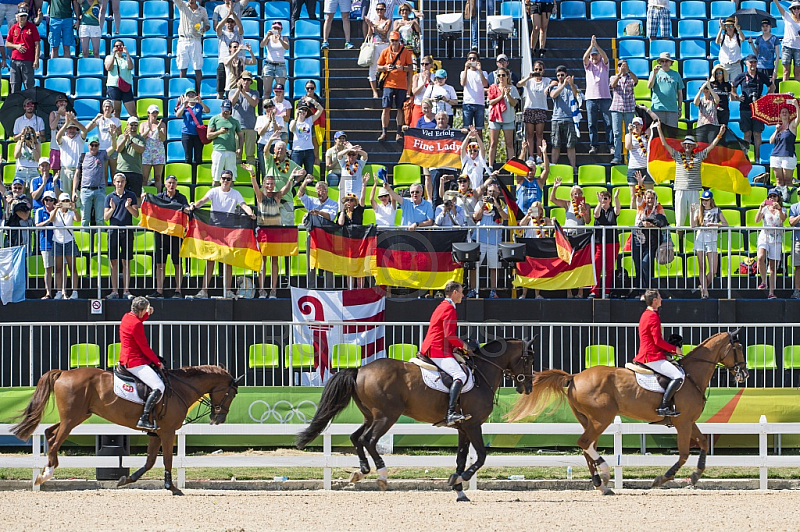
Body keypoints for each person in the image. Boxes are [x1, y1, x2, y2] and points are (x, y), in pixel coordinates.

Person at [189, 168, 256, 299]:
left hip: (229, 231)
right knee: (210, 260)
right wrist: (194, 206)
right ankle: (204, 290)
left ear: (231, 181)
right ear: (220, 179)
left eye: (228, 179)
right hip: (214, 230)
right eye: (223, 178)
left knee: (228, 261)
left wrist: (250, 213)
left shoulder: (235, 193)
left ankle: (228, 290)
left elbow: (243, 205)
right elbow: (203, 200)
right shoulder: (214, 191)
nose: (225, 181)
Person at [655, 122, 728, 228]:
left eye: (690, 144)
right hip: (680, 189)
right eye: (685, 144)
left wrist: (719, 134)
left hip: (694, 190)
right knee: (679, 221)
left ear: (693, 146)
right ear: (683, 145)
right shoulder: (677, 155)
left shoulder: (699, 156)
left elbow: (712, 146)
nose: (687, 145)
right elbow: (664, 144)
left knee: (696, 221)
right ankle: (680, 242)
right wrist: (659, 129)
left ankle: (696, 242)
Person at [419, 281, 469, 426]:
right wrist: (465, 347)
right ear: (454, 292)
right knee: (460, 375)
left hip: (437, 346)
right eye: (460, 292)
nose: (462, 295)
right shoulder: (449, 309)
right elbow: (450, 335)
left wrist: (457, 348)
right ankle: (451, 413)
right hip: (437, 349)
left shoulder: (442, 306)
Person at [252, 165, 301, 299]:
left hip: (276, 232)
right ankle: (262, 290)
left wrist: (291, 177)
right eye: (268, 184)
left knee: (274, 261)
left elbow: (286, 189)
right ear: (264, 184)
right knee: (262, 261)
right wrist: (252, 175)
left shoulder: (277, 196)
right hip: (263, 232)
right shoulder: (260, 196)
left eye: (272, 184)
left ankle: (273, 290)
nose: (270, 186)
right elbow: (255, 187)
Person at [634, 289, 684, 417]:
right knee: (678, 376)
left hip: (650, 353)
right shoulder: (652, 316)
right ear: (655, 300)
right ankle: (664, 406)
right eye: (660, 297)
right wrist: (674, 349)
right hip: (651, 356)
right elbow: (657, 341)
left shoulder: (647, 314)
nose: (662, 299)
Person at [118, 296, 165, 432]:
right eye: (145, 310)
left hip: (126, 357)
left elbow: (137, 320)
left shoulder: (127, 317)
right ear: (141, 310)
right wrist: (157, 362)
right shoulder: (137, 324)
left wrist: (146, 314)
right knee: (159, 386)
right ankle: (144, 418)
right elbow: (144, 347)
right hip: (134, 361)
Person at [148, 175, 189, 299]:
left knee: (177, 263)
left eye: (174, 183)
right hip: (160, 234)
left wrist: (187, 209)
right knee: (160, 263)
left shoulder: (181, 198)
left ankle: (178, 290)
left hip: (175, 234)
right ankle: (159, 290)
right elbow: (150, 209)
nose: (171, 185)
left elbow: (186, 209)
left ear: (176, 185)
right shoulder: (159, 197)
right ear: (165, 184)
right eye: (169, 183)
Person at [550, 177, 590, 297]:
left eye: (579, 193)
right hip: (568, 236)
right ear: (571, 195)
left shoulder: (586, 205)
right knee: (569, 264)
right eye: (574, 193)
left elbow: (587, 221)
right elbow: (552, 199)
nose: (577, 195)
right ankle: (569, 291)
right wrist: (555, 187)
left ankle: (580, 292)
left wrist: (584, 212)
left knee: (580, 265)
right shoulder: (568, 204)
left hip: (580, 237)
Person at [731, 54, 774, 162]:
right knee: (747, 133)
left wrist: (765, 96)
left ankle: (757, 158)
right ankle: (745, 158)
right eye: (751, 62)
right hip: (745, 107)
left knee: (757, 133)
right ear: (746, 63)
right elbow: (732, 87)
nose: (753, 64)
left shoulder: (760, 75)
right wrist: (736, 96)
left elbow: (772, 86)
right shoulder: (741, 76)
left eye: (754, 62)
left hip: (758, 108)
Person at [104, 173, 139, 300]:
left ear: (125, 182)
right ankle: (114, 290)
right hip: (113, 231)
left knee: (126, 261)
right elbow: (106, 217)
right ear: (114, 182)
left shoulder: (131, 196)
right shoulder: (109, 197)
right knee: (113, 261)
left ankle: (126, 290)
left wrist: (128, 207)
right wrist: (112, 209)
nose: (120, 184)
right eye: (118, 181)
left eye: (122, 181)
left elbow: (136, 214)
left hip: (127, 231)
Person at [41, 192, 80, 299]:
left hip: (69, 241)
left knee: (72, 268)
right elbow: (51, 219)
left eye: (67, 201)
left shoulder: (71, 213)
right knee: (58, 269)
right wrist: (56, 209)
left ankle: (75, 291)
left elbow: (78, 219)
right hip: (57, 242)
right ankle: (59, 291)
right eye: (63, 201)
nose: (65, 203)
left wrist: (74, 209)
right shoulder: (55, 212)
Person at [473, 177, 508, 298]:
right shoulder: (480, 203)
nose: (491, 194)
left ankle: (493, 291)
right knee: (475, 265)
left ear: (498, 193)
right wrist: (483, 206)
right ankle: (474, 289)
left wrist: (497, 205)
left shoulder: (502, 204)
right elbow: (476, 217)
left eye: (493, 192)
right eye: (489, 192)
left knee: (494, 267)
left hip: (494, 240)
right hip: (480, 239)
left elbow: (506, 217)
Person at [690, 190, 728, 300]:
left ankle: (702, 287)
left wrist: (715, 225)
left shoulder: (717, 210)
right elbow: (692, 225)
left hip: (712, 240)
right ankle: (705, 292)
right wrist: (692, 212)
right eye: (703, 200)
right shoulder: (699, 211)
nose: (704, 202)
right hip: (700, 239)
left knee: (713, 270)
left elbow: (725, 224)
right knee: (702, 267)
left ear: (711, 200)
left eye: (706, 200)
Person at [377, 30, 414, 142]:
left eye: (396, 41)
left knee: (400, 109)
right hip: (388, 83)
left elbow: (411, 68)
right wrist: (385, 68)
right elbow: (378, 66)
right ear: (389, 40)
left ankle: (398, 132)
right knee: (386, 108)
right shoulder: (385, 52)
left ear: (399, 41)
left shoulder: (405, 52)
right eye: (392, 40)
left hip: (401, 84)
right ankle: (384, 132)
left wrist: (402, 68)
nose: (394, 43)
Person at [632, 186, 666, 296]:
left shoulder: (658, 208)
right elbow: (638, 198)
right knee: (638, 265)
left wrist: (651, 224)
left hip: (651, 242)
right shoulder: (641, 207)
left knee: (645, 263)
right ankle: (639, 290)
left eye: (652, 198)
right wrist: (640, 184)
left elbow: (663, 222)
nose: (650, 200)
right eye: (648, 198)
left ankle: (646, 291)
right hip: (637, 238)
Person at [263, 133, 303, 225]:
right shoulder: (270, 160)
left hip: (287, 199)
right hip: (271, 198)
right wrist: (271, 140)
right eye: (278, 148)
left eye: (282, 149)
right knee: (271, 225)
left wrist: (294, 182)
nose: (280, 150)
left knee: (288, 226)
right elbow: (265, 151)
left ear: (285, 151)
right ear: (274, 150)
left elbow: (303, 171)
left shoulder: (291, 163)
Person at [583, 36, 612, 156]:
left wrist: (597, 46)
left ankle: (610, 145)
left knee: (608, 123)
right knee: (592, 124)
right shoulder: (588, 66)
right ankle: (594, 145)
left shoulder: (604, 65)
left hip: (605, 97)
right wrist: (591, 46)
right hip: (590, 98)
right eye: (592, 55)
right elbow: (584, 58)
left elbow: (605, 57)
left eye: (596, 55)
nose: (594, 57)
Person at [517, 60, 551, 164]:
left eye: (540, 69)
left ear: (543, 70)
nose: (538, 71)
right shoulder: (530, 81)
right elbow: (519, 84)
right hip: (530, 109)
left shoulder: (546, 80)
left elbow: (555, 82)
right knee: (530, 134)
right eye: (536, 69)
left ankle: (539, 156)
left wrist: (548, 87)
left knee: (539, 134)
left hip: (541, 109)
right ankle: (531, 156)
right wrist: (529, 76)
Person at [74, 136, 111, 227]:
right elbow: (77, 174)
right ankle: (84, 241)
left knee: (100, 219)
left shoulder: (102, 154)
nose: (94, 147)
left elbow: (113, 147)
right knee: (85, 220)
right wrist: (74, 191)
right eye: (92, 145)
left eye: (96, 145)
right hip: (85, 190)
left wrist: (113, 137)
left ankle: (100, 240)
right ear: (88, 145)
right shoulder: (83, 156)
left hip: (100, 190)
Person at [756, 189, 786, 299]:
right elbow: (756, 220)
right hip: (765, 236)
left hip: (776, 238)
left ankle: (771, 291)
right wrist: (760, 208)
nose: (772, 198)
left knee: (773, 266)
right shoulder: (764, 209)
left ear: (778, 198)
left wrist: (779, 209)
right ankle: (763, 281)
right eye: (770, 196)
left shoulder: (782, 209)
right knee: (760, 257)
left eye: (774, 196)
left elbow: (783, 219)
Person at [548, 65, 580, 169]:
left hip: (570, 118)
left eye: (562, 75)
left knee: (571, 145)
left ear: (566, 75)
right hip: (556, 118)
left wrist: (571, 85)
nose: (560, 77)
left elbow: (577, 96)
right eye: (558, 75)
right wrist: (562, 85)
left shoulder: (572, 86)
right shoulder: (554, 86)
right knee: (555, 144)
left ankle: (573, 167)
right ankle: (553, 166)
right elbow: (553, 95)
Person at [591, 189, 621, 299]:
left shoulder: (612, 211)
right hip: (599, 243)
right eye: (602, 198)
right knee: (597, 267)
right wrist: (599, 203)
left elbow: (618, 209)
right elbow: (596, 214)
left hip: (612, 243)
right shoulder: (598, 208)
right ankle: (594, 291)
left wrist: (616, 198)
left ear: (609, 200)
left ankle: (607, 291)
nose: (603, 200)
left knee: (609, 268)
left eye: (605, 198)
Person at [175, 0, 209, 94]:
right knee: (182, 66)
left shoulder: (202, 10)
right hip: (183, 39)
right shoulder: (182, 6)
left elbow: (207, 24)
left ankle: (199, 92)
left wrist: (204, 28)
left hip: (196, 39)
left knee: (197, 67)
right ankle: (182, 93)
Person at [487, 67, 519, 166]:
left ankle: (512, 166)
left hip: (508, 119)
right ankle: (490, 166)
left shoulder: (512, 88)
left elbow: (514, 103)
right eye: (499, 75)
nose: (501, 77)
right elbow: (491, 102)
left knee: (509, 144)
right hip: (495, 118)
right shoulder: (493, 87)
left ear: (507, 76)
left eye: (503, 75)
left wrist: (508, 95)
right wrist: (501, 96)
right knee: (493, 143)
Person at [517, 201, 550, 299]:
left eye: (537, 208)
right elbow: (521, 225)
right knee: (527, 270)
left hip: (540, 247)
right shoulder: (529, 219)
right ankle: (524, 293)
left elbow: (553, 224)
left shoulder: (545, 220)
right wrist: (528, 214)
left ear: (541, 211)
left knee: (538, 271)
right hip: (529, 245)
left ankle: (537, 294)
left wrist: (553, 220)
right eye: (533, 208)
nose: (535, 210)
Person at [229, 71, 259, 171]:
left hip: (250, 126)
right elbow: (231, 102)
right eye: (244, 79)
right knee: (237, 153)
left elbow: (254, 103)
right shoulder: (233, 91)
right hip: (237, 127)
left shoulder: (254, 92)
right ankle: (236, 175)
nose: (246, 82)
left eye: (248, 80)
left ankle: (251, 176)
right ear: (240, 80)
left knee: (250, 154)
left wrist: (243, 92)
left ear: (251, 81)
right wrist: (238, 90)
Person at [609, 59, 638, 166]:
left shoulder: (631, 77)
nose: (622, 67)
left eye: (624, 65)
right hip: (616, 108)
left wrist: (629, 71)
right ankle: (617, 157)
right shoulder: (614, 77)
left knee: (629, 133)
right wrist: (620, 74)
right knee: (617, 133)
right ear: (617, 67)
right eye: (620, 65)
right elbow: (613, 85)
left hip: (629, 108)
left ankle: (630, 157)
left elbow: (636, 81)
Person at [208, 100, 243, 185]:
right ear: (221, 108)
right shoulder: (214, 119)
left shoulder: (235, 121)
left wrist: (240, 147)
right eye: (224, 109)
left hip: (231, 150)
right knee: (216, 177)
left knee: (231, 176)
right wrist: (219, 132)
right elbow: (208, 135)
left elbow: (241, 135)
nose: (226, 111)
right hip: (218, 150)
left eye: (228, 109)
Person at [56, 114, 88, 205]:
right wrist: (66, 123)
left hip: (78, 171)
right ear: (66, 129)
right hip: (65, 170)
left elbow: (85, 130)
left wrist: (74, 121)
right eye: (69, 128)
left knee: (77, 197)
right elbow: (57, 137)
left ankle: (77, 217)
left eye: (73, 128)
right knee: (65, 196)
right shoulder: (64, 139)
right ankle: (67, 216)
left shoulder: (80, 138)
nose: (72, 130)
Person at [6, 8, 40, 94]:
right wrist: (16, 46)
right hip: (15, 60)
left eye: (24, 16)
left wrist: (36, 60)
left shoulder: (32, 27)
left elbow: (37, 44)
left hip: (27, 61)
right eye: (21, 16)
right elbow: (7, 43)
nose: (23, 18)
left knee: (29, 85)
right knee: (14, 85)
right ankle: (15, 106)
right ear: (17, 16)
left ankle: (30, 106)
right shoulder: (13, 27)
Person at [85, 99, 121, 179]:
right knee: (103, 175)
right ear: (102, 107)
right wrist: (95, 118)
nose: (107, 108)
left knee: (114, 174)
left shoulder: (116, 120)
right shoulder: (99, 119)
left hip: (113, 149)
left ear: (112, 108)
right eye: (105, 106)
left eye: (109, 106)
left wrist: (115, 131)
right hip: (102, 149)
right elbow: (87, 129)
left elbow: (120, 135)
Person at [175, 88, 210, 167]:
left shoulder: (198, 105)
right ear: (186, 96)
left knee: (198, 157)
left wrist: (201, 102)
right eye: (189, 95)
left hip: (198, 134)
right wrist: (184, 105)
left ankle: (198, 176)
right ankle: (189, 174)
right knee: (188, 157)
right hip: (187, 134)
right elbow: (178, 115)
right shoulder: (183, 106)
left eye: (193, 94)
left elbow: (208, 111)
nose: (191, 96)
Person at [770, 99, 799, 191]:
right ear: (780, 115)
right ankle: (780, 200)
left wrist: (796, 106)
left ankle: (791, 202)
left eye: (786, 112)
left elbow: (798, 118)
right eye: (782, 112)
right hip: (776, 155)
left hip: (788, 155)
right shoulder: (778, 128)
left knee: (788, 181)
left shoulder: (792, 126)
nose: (784, 113)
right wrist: (776, 130)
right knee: (779, 181)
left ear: (789, 114)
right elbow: (771, 141)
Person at [648, 53, 684, 128]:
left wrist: (680, 108)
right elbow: (649, 86)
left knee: (672, 135)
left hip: (672, 109)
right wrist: (654, 74)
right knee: (658, 133)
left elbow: (680, 92)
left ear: (670, 62)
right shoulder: (654, 73)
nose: (664, 63)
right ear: (660, 62)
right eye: (662, 61)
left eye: (666, 61)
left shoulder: (676, 74)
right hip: (658, 108)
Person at [625, 116, 653, 208]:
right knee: (634, 197)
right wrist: (629, 132)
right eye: (634, 125)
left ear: (641, 126)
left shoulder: (646, 135)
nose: (636, 127)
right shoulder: (629, 136)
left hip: (646, 168)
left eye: (638, 125)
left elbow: (656, 120)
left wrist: (646, 110)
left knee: (649, 196)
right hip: (634, 168)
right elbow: (628, 147)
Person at [289, 102, 324, 175]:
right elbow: (291, 129)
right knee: (297, 173)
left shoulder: (309, 120)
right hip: (297, 151)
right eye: (301, 110)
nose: (303, 112)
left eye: (305, 110)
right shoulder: (293, 121)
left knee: (309, 173)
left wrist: (312, 101)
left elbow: (320, 110)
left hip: (309, 150)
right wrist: (296, 117)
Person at [366, 2, 391, 100]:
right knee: (373, 68)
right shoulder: (373, 20)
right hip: (375, 45)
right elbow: (369, 34)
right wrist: (370, 26)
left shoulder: (388, 21)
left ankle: (386, 88)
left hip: (384, 45)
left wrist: (374, 26)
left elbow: (385, 32)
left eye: (381, 9)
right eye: (377, 9)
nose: (379, 11)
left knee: (386, 67)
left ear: (385, 10)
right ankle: (374, 91)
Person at [115, 116, 146, 197]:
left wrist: (131, 142)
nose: (133, 127)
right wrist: (125, 139)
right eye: (131, 125)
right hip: (122, 170)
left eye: (135, 125)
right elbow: (118, 149)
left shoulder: (140, 138)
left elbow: (141, 150)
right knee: (120, 195)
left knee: (136, 196)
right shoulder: (121, 137)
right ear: (127, 125)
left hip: (135, 171)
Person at [104, 39, 135, 118]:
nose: (119, 48)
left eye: (120, 46)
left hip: (126, 86)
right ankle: (117, 130)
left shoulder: (126, 59)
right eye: (116, 46)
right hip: (114, 86)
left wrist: (127, 54)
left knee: (132, 112)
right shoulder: (109, 57)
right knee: (116, 111)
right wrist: (113, 54)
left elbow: (131, 67)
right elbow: (108, 68)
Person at [33, 190, 56, 299]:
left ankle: (61, 291)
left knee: (60, 268)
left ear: (54, 201)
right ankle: (48, 292)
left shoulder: (59, 211)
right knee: (48, 268)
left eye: (50, 200)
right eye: (46, 199)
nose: (48, 202)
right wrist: (48, 221)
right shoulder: (39, 211)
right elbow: (37, 226)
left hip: (59, 242)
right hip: (45, 243)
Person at [516, 139, 548, 212]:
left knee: (536, 221)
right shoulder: (520, 180)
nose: (530, 172)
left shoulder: (538, 181)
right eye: (528, 170)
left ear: (535, 170)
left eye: (532, 170)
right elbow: (518, 168)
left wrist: (544, 153)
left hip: (535, 212)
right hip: (521, 212)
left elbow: (546, 170)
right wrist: (523, 152)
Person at [139, 106, 167, 192]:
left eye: (156, 112)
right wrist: (147, 131)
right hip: (146, 152)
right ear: (148, 113)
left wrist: (158, 129)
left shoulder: (162, 124)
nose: (155, 114)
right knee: (144, 178)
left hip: (158, 153)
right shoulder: (143, 124)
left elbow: (163, 139)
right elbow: (140, 138)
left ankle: (158, 196)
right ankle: (144, 196)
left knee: (158, 177)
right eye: (153, 112)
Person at [460, 51, 488, 134]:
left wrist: (480, 70)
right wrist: (465, 68)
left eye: (474, 58)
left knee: (479, 130)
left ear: (478, 60)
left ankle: (480, 146)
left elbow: (485, 84)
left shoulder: (484, 73)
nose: (472, 60)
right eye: (470, 58)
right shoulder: (463, 72)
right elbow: (463, 83)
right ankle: (466, 146)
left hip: (479, 103)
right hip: (468, 103)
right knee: (467, 129)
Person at [216, 14, 242, 99]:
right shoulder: (222, 33)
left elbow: (241, 27)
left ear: (234, 23)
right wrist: (227, 15)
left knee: (235, 88)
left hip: (235, 63)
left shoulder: (238, 34)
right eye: (228, 21)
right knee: (220, 90)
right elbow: (218, 28)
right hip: (223, 62)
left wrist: (233, 14)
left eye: (232, 22)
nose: (230, 23)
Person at [260, 21, 289, 98]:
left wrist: (280, 39)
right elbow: (262, 45)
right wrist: (267, 36)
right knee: (267, 91)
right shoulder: (269, 38)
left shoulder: (284, 38)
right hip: (269, 64)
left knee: (280, 90)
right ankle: (265, 109)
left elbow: (287, 47)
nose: (276, 29)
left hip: (280, 65)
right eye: (274, 28)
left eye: (278, 28)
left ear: (281, 29)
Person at [774, 0, 800, 82]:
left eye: (798, 8)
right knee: (786, 72)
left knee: (797, 72)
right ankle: (785, 93)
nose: (796, 10)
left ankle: (798, 92)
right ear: (791, 9)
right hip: (787, 47)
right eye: (794, 8)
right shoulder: (787, 16)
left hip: (798, 48)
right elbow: (779, 7)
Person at [749, 19, 780, 85]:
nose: (765, 28)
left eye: (766, 26)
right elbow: (757, 53)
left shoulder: (774, 39)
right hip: (760, 67)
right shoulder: (759, 39)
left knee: (771, 87)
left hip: (770, 67)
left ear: (770, 27)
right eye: (763, 26)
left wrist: (775, 71)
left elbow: (777, 56)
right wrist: (751, 44)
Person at [716, 17, 745, 81]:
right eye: (727, 26)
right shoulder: (723, 36)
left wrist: (737, 27)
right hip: (724, 65)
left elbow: (743, 38)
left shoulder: (737, 37)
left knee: (734, 85)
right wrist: (721, 28)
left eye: (731, 26)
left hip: (735, 65)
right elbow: (717, 41)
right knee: (724, 85)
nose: (729, 28)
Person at [693, 78, 720, 144]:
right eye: (704, 89)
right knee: (701, 146)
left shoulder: (713, 100)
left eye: (707, 88)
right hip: (701, 126)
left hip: (712, 126)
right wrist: (700, 90)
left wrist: (710, 88)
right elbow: (695, 103)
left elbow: (717, 100)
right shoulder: (701, 100)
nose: (705, 90)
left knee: (711, 146)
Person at [410, 56, 435, 127]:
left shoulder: (435, 76)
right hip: (419, 104)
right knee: (416, 126)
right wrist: (423, 83)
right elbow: (414, 91)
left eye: (426, 64)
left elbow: (435, 88)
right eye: (422, 64)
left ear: (431, 65)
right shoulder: (417, 76)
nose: (424, 66)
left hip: (431, 105)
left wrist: (429, 80)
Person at [393, 2, 420, 67]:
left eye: (406, 10)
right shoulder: (397, 22)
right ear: (400, 11)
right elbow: (393, 33)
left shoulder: (413, 21)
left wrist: (414, 23)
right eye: (402, 10)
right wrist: (399, 26)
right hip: (400, 47)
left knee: (412, 67)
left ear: (409, 11)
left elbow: (418, 30)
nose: (404, 11)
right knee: (401, 65)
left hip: (411, 47)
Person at [788, 194, 800, 298]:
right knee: (798, 266)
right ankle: (797, 291)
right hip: (798, 240)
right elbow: (791, 222)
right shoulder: (794, 207)